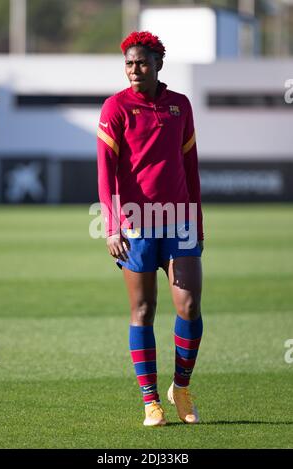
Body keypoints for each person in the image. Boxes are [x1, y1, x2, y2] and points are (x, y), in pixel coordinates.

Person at [97, 31, 204, 426]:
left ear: (158, 62)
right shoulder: (115, 107)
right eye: (128, 63)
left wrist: (199, 221)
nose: (134, 69)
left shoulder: (181, 105)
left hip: (180, 222)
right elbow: (105, 176)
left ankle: (182, 387)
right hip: (136, 224)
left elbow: (190, 169)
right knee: (143, 309)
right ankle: (150, 401)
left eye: (141, 62)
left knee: (189, 306)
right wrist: (111, 227)